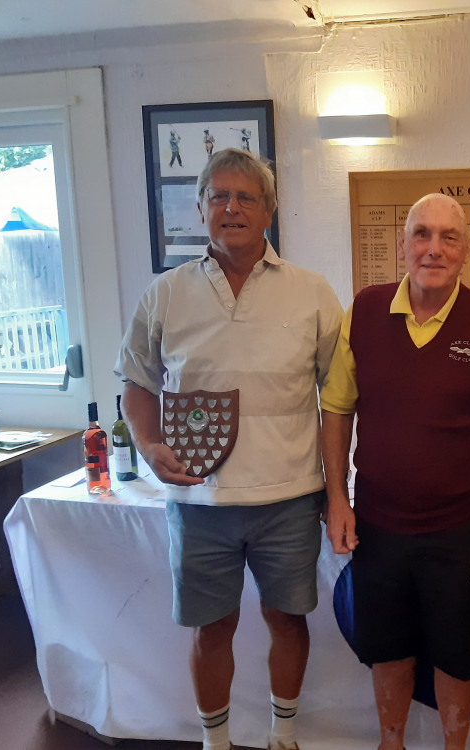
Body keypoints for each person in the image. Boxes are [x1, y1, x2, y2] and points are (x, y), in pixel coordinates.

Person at [115, 148, 343, 750]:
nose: (232, 207)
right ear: (199, 209)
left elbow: (338, 398)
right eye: (219, 196)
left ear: (269, 209)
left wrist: (337, 491)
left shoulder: (313, 292)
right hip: (198, 498)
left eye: (246, 197)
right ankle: (217, 743)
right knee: (211, 628)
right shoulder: (164, 295)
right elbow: (137, 386)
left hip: (290, 495)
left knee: (287, 620)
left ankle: (283, 736)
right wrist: (149, 442)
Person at [320, 193, 470, 750]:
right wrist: (337, 500)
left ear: (466, 251)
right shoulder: (364, 312)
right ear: (402, 244)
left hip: (463, 530)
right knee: (388, 649)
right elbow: (337, 409)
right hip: (377, 525)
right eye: (422, 234)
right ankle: (391, 742)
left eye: (448, 238)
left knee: (459, 658)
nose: (433, 249)